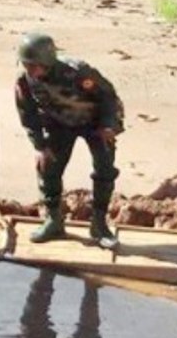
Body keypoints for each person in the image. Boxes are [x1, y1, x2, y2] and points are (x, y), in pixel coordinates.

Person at [14, 33, 124, 248]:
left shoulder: (77, 72)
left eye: (34, 65)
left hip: (96, 123)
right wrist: (39, 145)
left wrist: (108, 125)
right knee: (48, 168)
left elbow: (107, 96)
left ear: (46, 62)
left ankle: (99, 225)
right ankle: (54, 221)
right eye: (26, 65)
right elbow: (27, 113)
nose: (30, 71)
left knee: (104, 168)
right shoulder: (24, 81)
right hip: (60, 123)